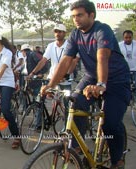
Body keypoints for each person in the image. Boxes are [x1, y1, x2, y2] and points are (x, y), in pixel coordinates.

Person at [40, 1, 130, 168]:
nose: (76, 19)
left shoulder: (102, 30)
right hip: (90, 77)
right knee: (74, 101)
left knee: (110, 123)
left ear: (91, 15)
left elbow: (102, 56)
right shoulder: (75, 35)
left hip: (116, 80)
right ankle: (77, 147)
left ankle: (118, 160)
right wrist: (50, 85)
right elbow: (66, 61)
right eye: (73, 16)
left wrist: (101, 84)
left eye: (80, 15)